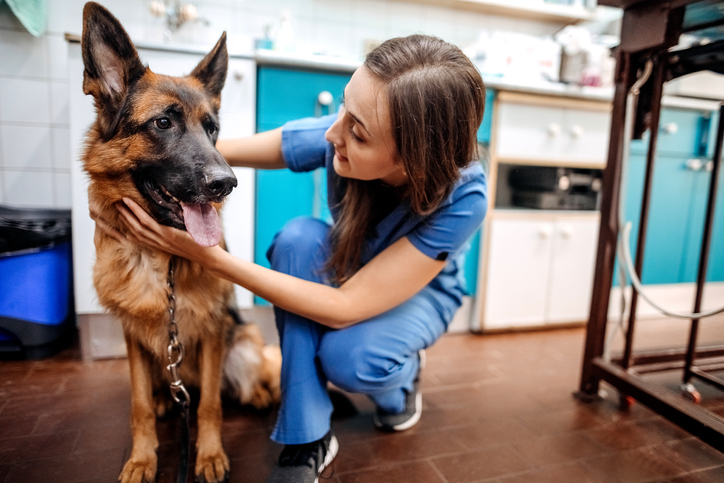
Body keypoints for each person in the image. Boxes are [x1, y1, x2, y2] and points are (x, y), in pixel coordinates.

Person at [103, 34, 487, 483]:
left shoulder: (466, 196)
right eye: (344, 108)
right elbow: (219, 153)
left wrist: (208, 256)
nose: (332, 133)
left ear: (413, 162)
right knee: (299, 238)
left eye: (357, 133)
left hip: (418, 294)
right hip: (351, 265)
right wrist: (155, 158)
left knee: (352, 358)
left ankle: (402, 381)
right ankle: (308, 434)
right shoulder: (342, 131)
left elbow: (348, 308)